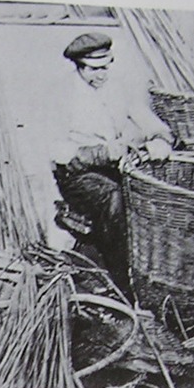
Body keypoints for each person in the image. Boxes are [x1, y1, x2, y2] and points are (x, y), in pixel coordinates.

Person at [53, 31, 173, 288]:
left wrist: (160, 139)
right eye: (94, 69)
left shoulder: (117, 87)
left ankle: (153, 273)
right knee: (115, 200)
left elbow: (149, 121)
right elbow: (58, 153)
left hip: (113, 168)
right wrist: (101, 152)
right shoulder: (63, 93)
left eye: (106, 66)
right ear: (78, 66)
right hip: (77, 176)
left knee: (149, 196)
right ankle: (123, 281)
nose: (101, 74)